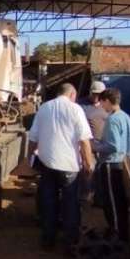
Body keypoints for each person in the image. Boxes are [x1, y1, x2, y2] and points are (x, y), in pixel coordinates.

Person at [28, 83, 94, 250]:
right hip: (69, 165)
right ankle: (70, 241)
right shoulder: (75, 109)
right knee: (70, 203)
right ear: (72, 94)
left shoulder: (44, 108)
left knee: (48, 202)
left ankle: (48, 240)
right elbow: (84, 140)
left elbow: (33, 138)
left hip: (47, 164)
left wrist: (29, 157)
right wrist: (88, 163)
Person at [93, 88, 130, 242]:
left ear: (107, 101)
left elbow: (113, 146)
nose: (101, 106)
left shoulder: (113, 119)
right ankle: (121, 232)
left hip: (111, 164)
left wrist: (95, 147)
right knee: (122, 200)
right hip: (125, 164)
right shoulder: (127, 118)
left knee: (111, 201)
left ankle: (117, 234)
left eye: (102, 103)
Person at [79, 81, 109, 205]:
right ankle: (85, 197)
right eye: (94, 94)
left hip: (103, 144)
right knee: (87, 171)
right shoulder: (81, 105)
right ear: (90, 92)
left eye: (100, 94)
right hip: (88, 145)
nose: (97, 97)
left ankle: (99, 199)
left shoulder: (106, 106)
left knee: (101, 173)